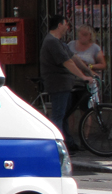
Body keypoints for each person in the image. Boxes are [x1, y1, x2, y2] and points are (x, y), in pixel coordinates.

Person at [39, 14, 94, 150]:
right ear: (59, 25)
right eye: (66, 24)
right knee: (58, 116)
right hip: (58, 84)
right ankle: (56, 147)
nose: (67, 27)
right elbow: (67, 62)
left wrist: (89, 72)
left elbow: (73, 57)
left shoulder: (59, 42)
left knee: (64, 115)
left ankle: (69, 143)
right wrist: (83, 77)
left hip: (65, 84)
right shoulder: (51, 41)